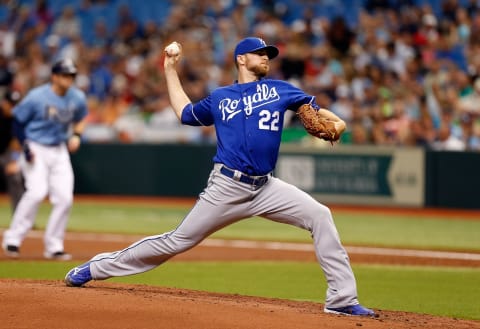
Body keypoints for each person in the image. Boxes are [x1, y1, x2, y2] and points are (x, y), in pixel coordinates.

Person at [65, 37, 376, 317]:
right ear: (241, 59)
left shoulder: (281, 89)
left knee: (320, 215)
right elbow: (185, 114)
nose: (266, 58)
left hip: (266, 186)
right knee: (176, 241)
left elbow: (318, 113)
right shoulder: (221, 97)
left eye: (268, 54)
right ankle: (95, 267)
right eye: (259, 53)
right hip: (227, 186)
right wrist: (170, 70)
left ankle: (341, 299)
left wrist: (339, 123)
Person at [2, 58, 88, 260]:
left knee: (65, 198)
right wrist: (24, 147)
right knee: (37, 192)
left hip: (59, 148)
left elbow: (81, 118)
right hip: (36, 145)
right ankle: (12, 239)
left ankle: (54, 246)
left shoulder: (77, 97)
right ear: (54, 76)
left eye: (72, 75)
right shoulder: (37, 96)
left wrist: (76, 135)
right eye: (65, 75)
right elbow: (18, 121)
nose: (69, 79)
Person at [0, 89, 25, 212]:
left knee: (16, 177)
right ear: (4, 103)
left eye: (15, 104)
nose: (13, 107)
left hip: (6, 152)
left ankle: (20, 218)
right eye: (11, 104)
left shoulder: (18, 119)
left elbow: (17, 142)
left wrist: (14, 161)